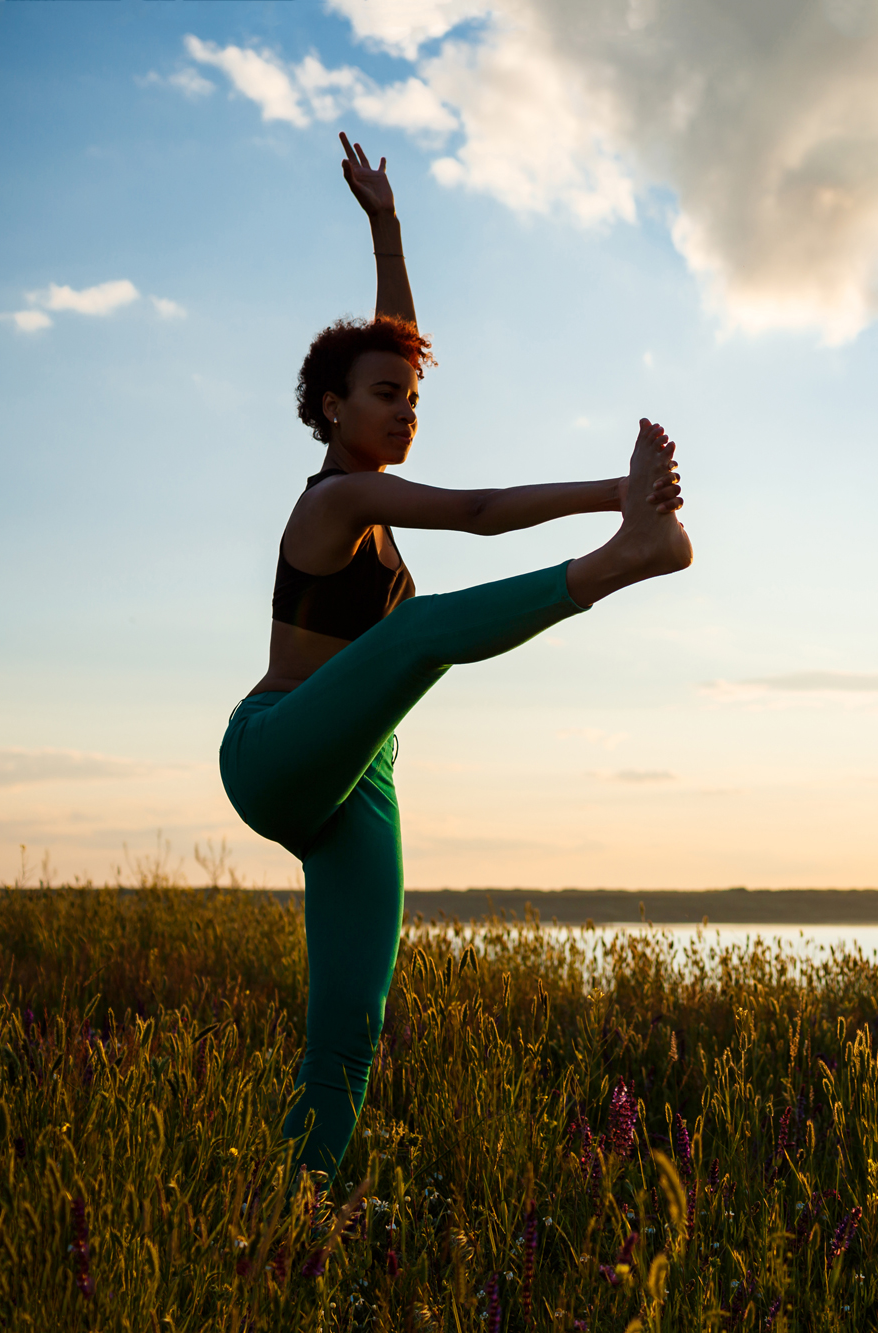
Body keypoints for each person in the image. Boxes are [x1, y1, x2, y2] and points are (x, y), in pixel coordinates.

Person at [220, 133, 692, 1179]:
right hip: (277, 753)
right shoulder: (337, 497)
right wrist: (618, 501)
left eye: (413, 399)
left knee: (347, 1033)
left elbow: (398, 342)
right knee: (417, 635)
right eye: (383, 395)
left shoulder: (370, 472)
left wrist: (386, 227)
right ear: (332, 408)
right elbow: (476, 512)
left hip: (359, 780)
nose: (405, 407)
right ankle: (629, 558)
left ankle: (302, 1226)